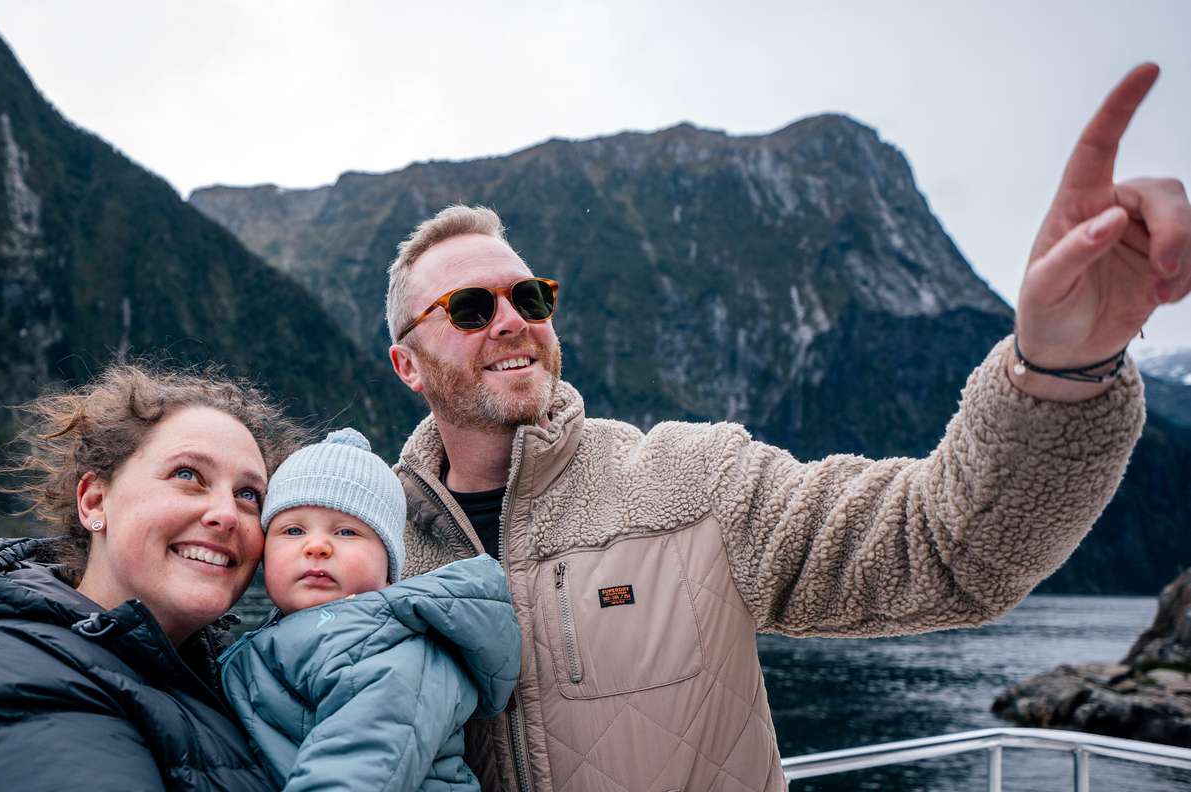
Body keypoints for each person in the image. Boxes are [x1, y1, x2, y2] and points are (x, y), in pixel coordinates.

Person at [381, 64, 1189, 792]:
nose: (511, 322)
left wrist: (1060, 367)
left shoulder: (692, 482)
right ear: (407, 366)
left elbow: (945, 548)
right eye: (467, 308)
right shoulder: (365, 543)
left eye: (529, 298)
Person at [0, 362, 304, 792]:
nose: (227, 515)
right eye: (187, 475)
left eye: (248, 495)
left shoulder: (225, 682)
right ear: (95, 501)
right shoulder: (11, 683)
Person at [220, 428, 521, 792]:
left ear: (389, 568)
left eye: (346, 532)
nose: (317, 546)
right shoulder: (281, 637)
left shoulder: (397, 651)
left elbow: (360, 768)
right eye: (294, 530)